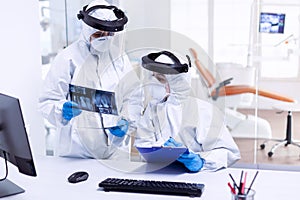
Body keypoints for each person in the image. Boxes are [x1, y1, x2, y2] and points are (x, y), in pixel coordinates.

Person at [38, 0, 142, 160]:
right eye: (99, 34)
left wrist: (127, 120)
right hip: (76, 152)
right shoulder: (68, 58)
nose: (105, 39)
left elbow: (133, 96)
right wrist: (61, 110)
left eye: (109, 34)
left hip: (115, 152)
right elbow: (47, 101)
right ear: (87, 31)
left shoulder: (120, 58)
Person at [134, 50, 241, 172]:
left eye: (160, 79)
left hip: (196, 176)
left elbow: (229, 152)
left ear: (177, 82)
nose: (154, 83)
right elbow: (143, 143)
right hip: (157, 175)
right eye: (153, 77)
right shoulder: (153, 108)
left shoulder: (204, 111)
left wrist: (200, 161)